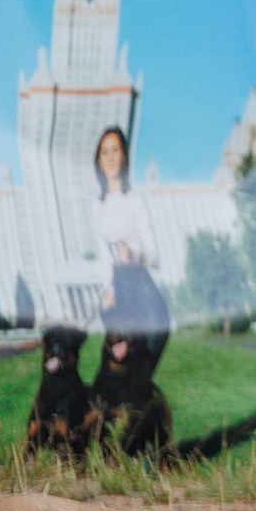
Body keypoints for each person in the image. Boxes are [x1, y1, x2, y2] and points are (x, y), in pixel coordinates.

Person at [93, 125, 168, 359]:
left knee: (157, 333)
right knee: (122, 353)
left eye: (115, 150)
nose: (110, 157)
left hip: (139, 282)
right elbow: (104, 255)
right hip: (118, 284)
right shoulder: (98, 204)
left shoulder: (135, 200)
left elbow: (154, 255)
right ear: (98, 160)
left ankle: (142, 389)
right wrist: (108, 291)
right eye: (104, 152)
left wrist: (133, 255)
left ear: (124, 155)